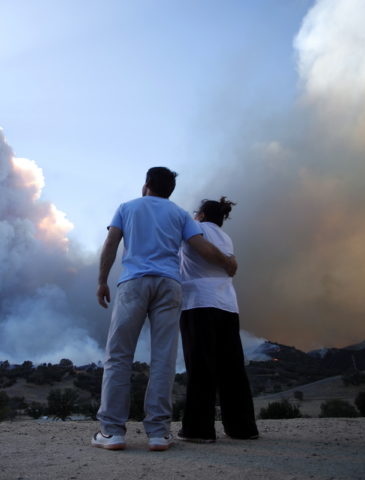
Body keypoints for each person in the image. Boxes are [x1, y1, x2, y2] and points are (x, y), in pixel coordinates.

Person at [92, 167, 237, 452]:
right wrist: (227, 262)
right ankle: (158, 433)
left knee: (119, 356)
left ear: (146, 185)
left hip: (133, 283)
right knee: (163, 359)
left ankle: (112, 432)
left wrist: (101, 281)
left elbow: (111, 243)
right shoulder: (180, 214)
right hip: (170, 285)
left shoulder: (127, 208)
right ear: (170, 190)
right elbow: (200, 246)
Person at [177, 197, 259, 443]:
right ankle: (243, 428)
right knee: (232, 368)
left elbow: (200, 249)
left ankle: (198, 430)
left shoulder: (195, 230)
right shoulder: (226, 237)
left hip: (199, 303)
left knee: (201, 366)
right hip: (227, 305)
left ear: (200, 214)